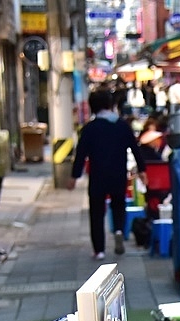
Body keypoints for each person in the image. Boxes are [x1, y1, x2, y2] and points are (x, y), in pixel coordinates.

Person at [69, 88, 147, 258]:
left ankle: (99, 250)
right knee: (119, 205)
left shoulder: (89, 129)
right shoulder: (122, 126)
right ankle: (119, 230)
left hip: (97, 176)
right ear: (110, 105)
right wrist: (142, 171)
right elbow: (135, 149)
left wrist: (75, 176)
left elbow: (81, 154)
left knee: (97, 211)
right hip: (118, 174)